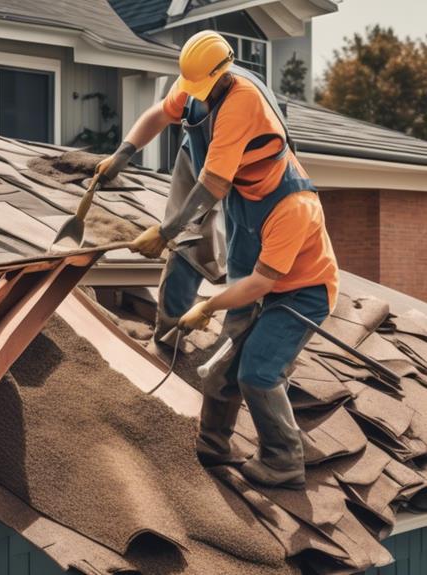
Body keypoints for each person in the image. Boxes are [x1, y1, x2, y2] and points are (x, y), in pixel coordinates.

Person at [97, 31, 339, 489]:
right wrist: (122, 154)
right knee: (230, 350)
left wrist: (176, 251)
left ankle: (284, 456)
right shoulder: (198, 84)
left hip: (298, 292)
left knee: (258, 368)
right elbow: (161, 113)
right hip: (250, 228)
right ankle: (213, 445)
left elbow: (212, 187)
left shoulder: (284, 193)